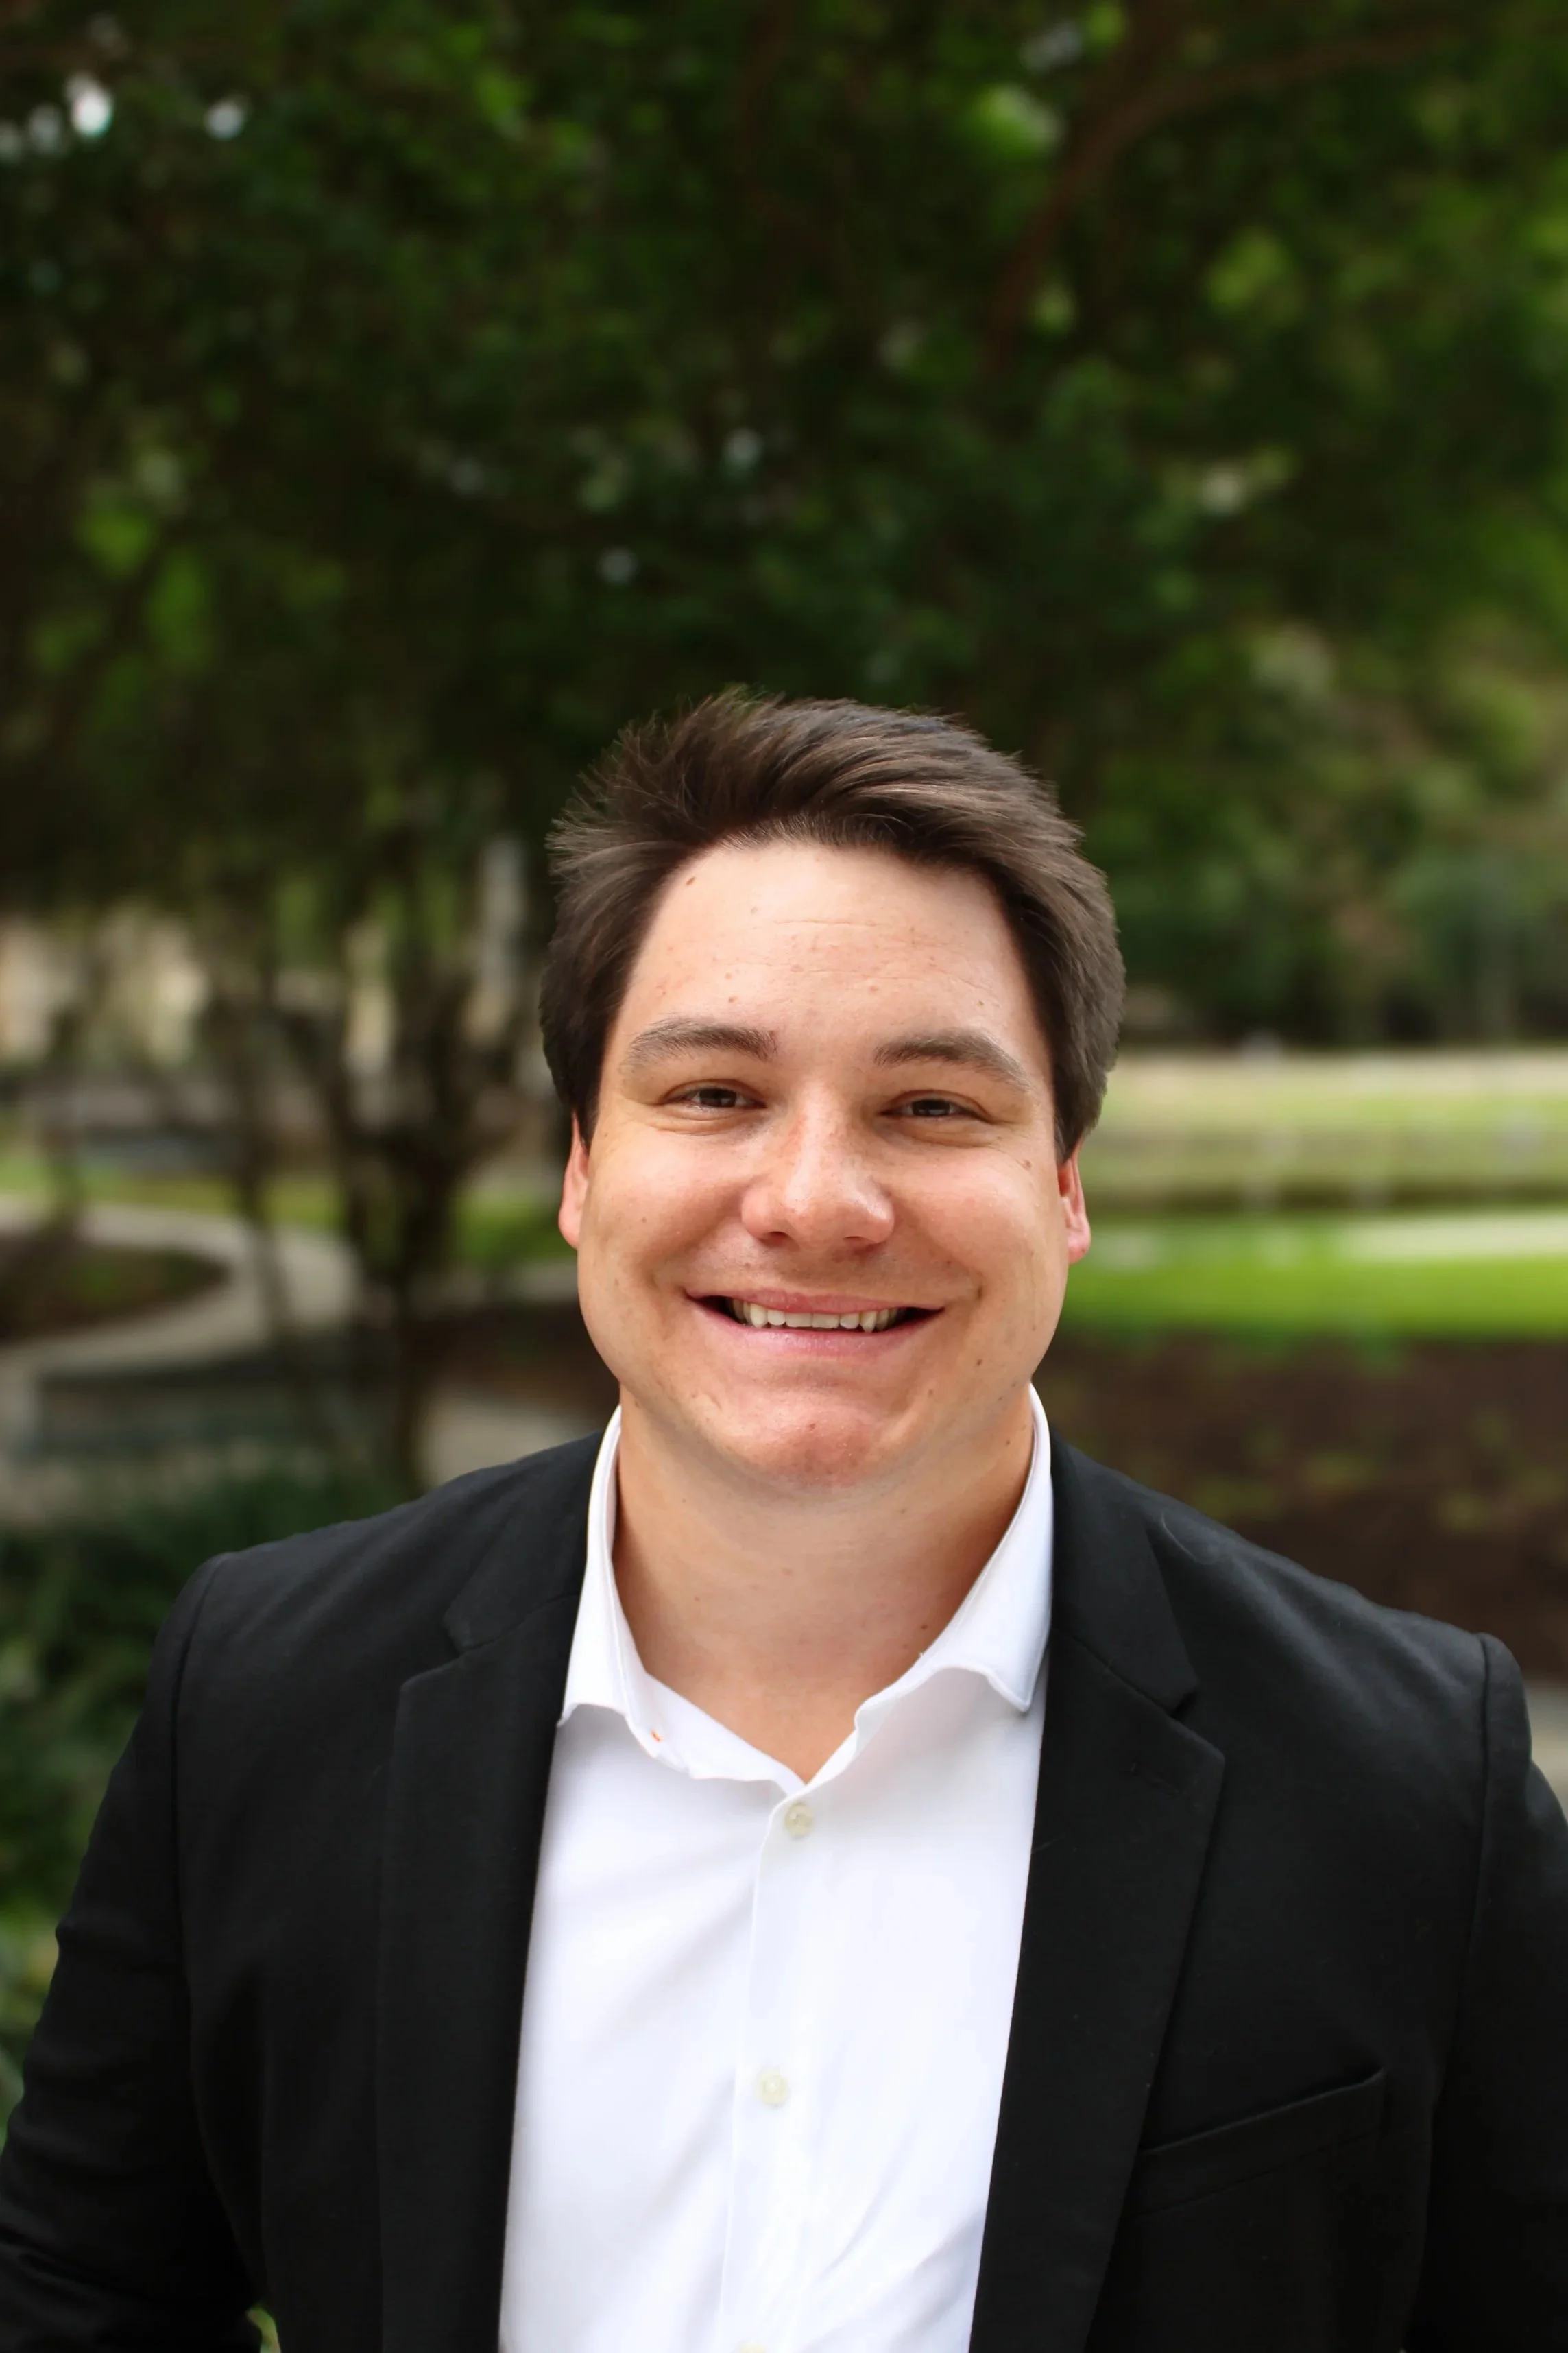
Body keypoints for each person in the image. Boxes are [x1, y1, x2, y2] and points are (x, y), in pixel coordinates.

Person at [1, 695, 1565, 2353]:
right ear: (585, 1165)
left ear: (1068, 1181)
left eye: (933, 1107)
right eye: (716, 1092)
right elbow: (84, 2296)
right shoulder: (264, 1691)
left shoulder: (1408, 1781)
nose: (816, 1198)